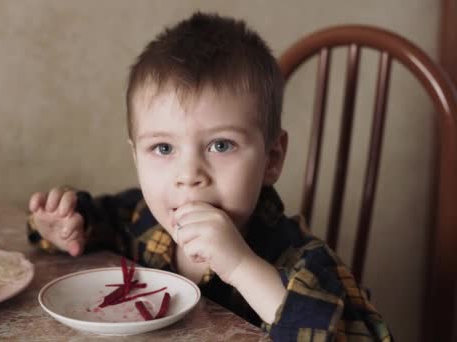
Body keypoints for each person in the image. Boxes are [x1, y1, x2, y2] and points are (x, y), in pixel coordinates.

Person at [26, 12, 393, 341]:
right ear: (135, 156)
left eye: (220, 145)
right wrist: (66, 226)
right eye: (164, 149)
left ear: (272, 158)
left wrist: (239, 266)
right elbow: (100, 220)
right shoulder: (142, 220)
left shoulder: (304, 262)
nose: (189, 175)